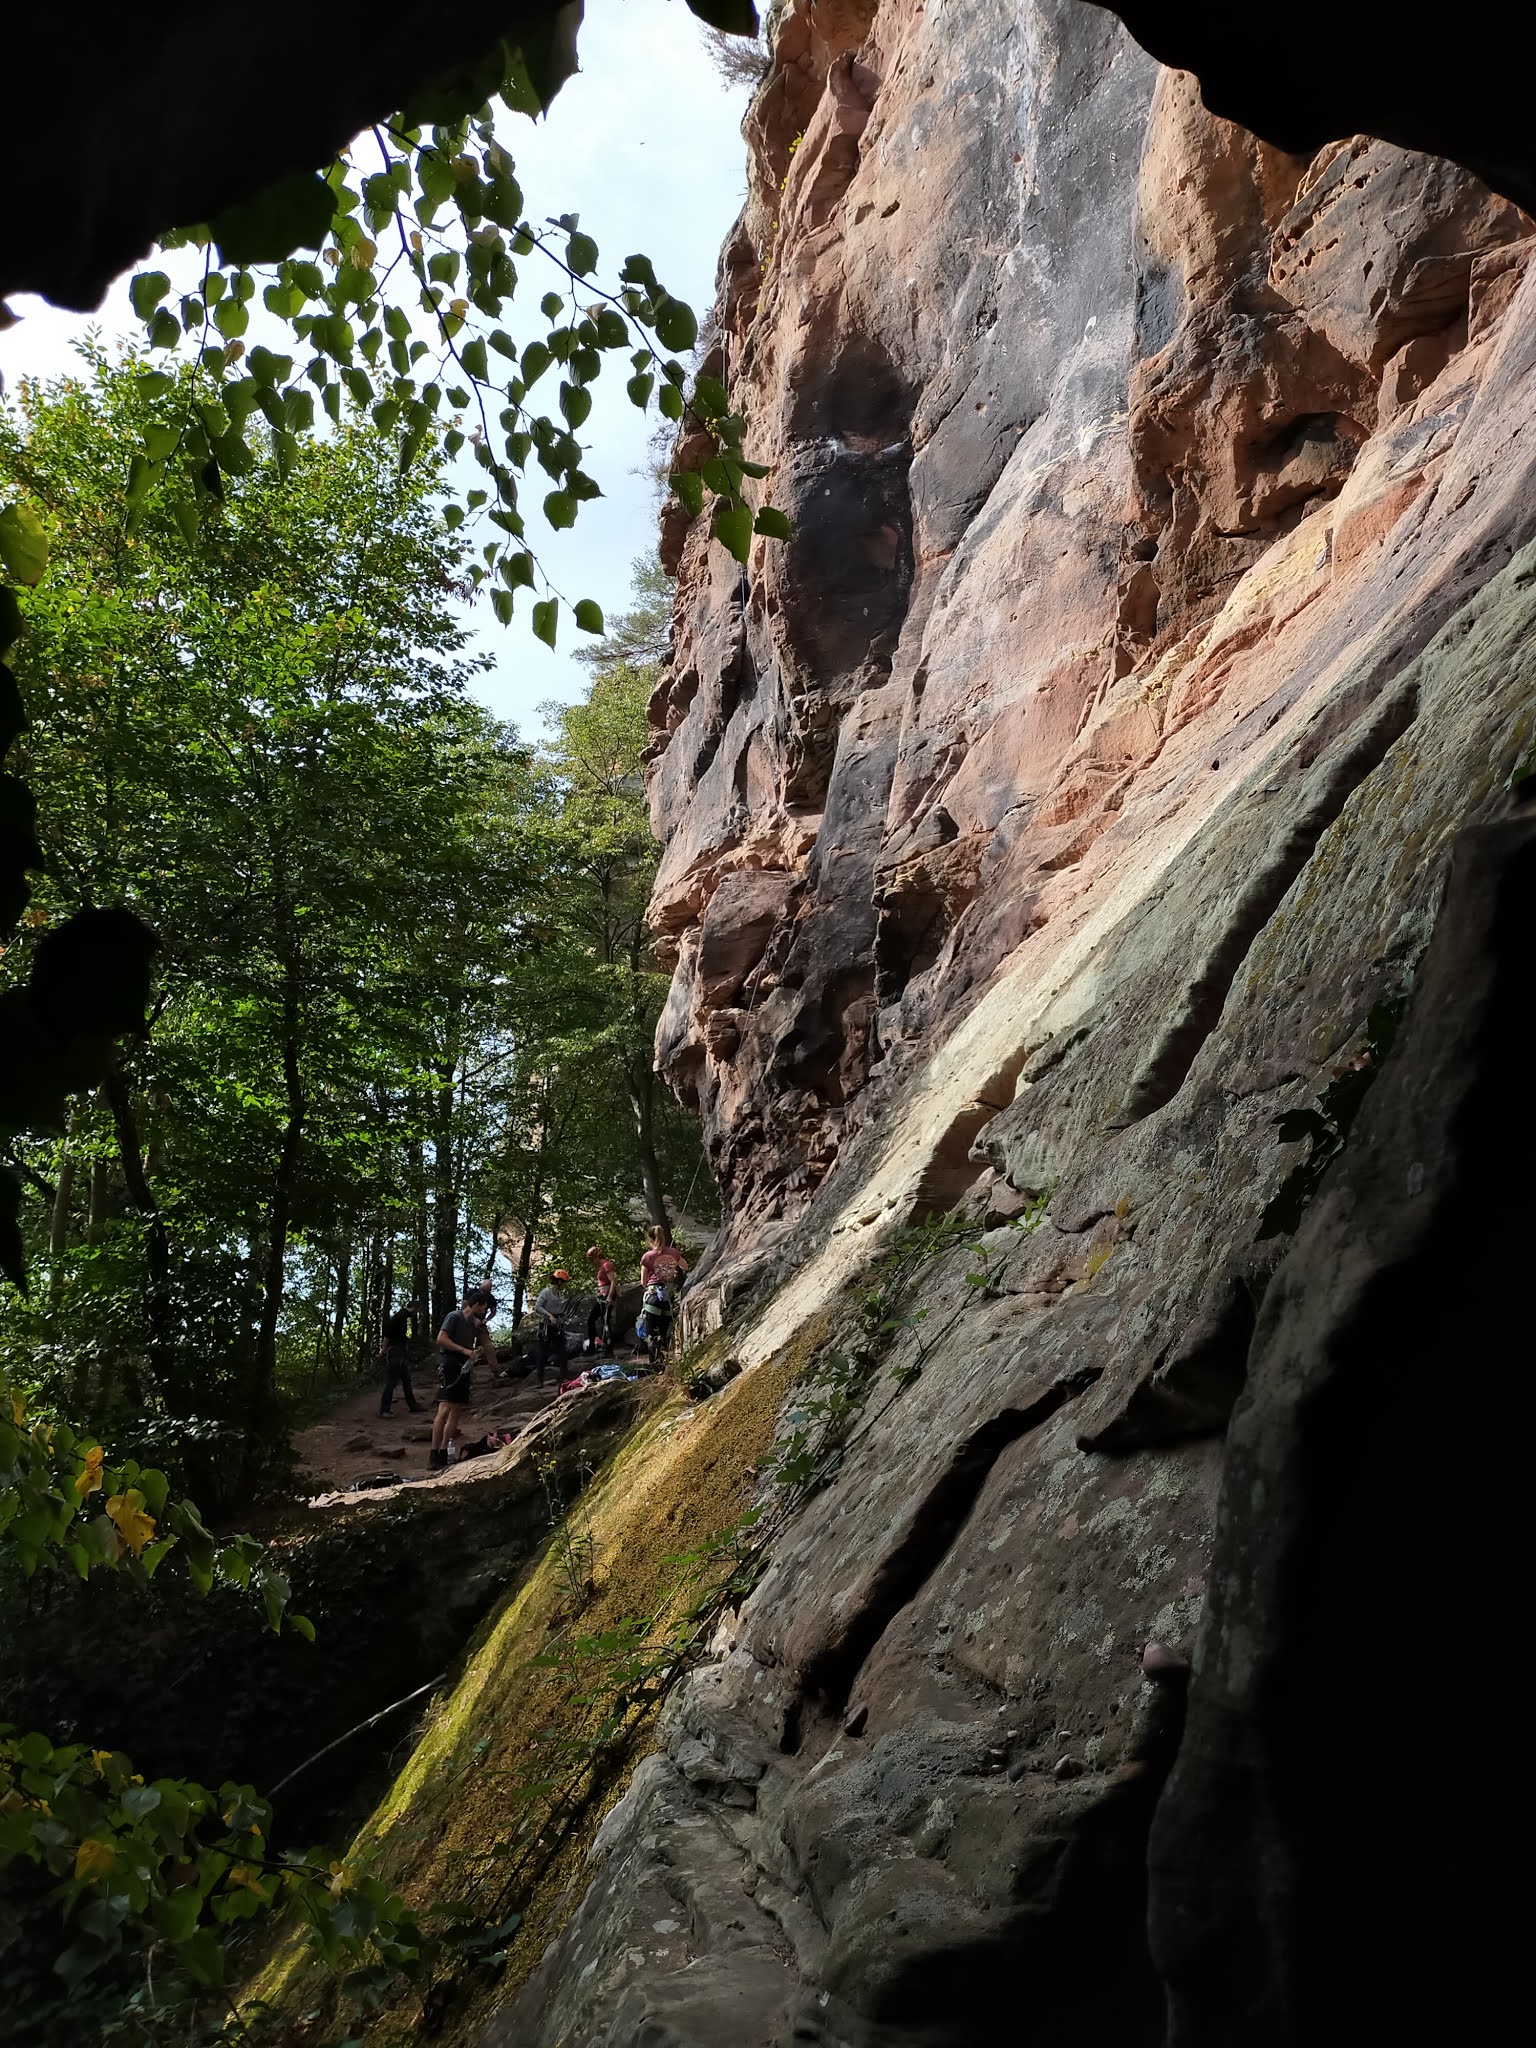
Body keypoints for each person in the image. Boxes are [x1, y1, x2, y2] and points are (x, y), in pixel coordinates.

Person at [430, 1287, 492, 1467]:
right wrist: (463, 1350)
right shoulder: (454, 1317)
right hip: (450, 1364)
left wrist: (476, 1352)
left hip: (465, 1366)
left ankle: (444, 1451)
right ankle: (433, 1453)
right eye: (483, 1309)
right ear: (475, 1305)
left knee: (456, 1411)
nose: (485, 1313)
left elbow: (483, 1342)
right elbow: (441, 1339)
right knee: (445, 1408)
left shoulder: (473, 1324)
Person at [379, 1299, 421, 1417]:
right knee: (392, 1382)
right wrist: (383, 1350)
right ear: (414, 1308)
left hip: (399, 1352)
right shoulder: (400, 1317)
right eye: (417, 1311)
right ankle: (384, 1410)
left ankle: (413, 1405)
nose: (416, 1314)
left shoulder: (401, 1317)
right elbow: (387, 1335)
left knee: (406, 1380)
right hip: (395, 1353)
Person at [533, 1269, 570, 1385]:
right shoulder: (546, 1292)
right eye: (563, 1283)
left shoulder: (558, 1294)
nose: (564, 1286)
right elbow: (537, 1307)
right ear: (559, 1282)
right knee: (543, 1352)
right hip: (546, 1326)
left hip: (557, 1326)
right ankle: (540, 1379)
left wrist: (561, 1317)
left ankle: (563, 1376)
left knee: (562, 1351)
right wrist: (549, 1315)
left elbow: (560, 1309)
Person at [585, 1244, 616, 1353]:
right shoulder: (602, 1266)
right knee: (593, 1320)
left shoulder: (606, 1265)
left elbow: (612, 1281)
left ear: (596, 1257)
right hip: (602, 1295)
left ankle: (608, 1347)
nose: (592, 1262)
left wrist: (609, 1297)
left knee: (605, 1321)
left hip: (606, 1296)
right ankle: (594, 1346)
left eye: (592, 1259)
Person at [640, 1225, 689, 1292]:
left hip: (653, 1289)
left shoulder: (647, 1256)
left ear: (650, 1240)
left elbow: (643, 1282)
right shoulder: (674, 1252)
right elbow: (685, 1267)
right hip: (668, 1288)